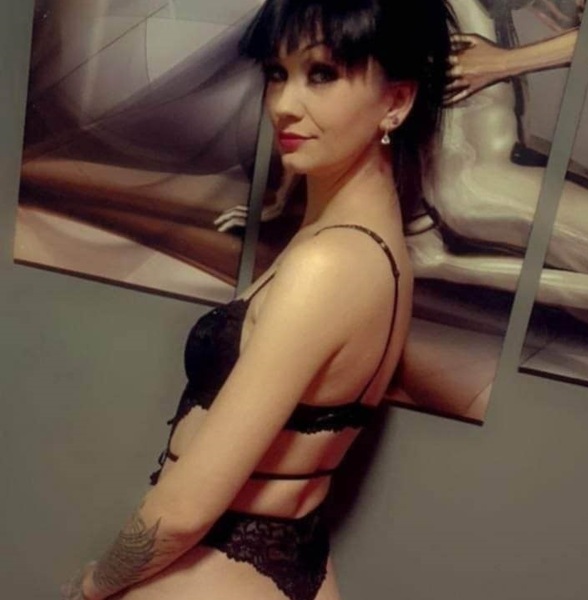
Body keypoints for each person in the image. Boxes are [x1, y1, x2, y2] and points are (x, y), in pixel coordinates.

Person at [60, 1, 455, 599]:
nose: (283, 105)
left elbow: (185, 510)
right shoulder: (373, 250)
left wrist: (90, 587)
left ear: (396, 101)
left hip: (215, 571)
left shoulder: (329, 265)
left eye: (321, 74)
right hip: (289, 559)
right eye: (277, 72)